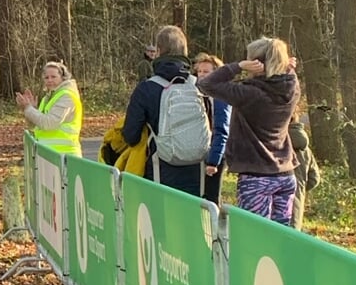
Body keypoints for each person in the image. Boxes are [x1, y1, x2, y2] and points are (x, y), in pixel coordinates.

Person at [197, 37, 300, 225]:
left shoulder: (248, 94)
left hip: (256, 178)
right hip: (286, 174)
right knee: (280, 240)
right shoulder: (292, 87)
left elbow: (206, 84)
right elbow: (287, 74)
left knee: (256, 238)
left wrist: (238, 66)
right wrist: (287, 67)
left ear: (256, 64)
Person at [122, 25, 203, 195]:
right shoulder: (199, 86)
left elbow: (131, 135)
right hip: (198, 172)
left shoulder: (147, 88)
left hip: (160, 171)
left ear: (158, 51)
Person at [15, 61, 83, 157]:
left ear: (63, 78)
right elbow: (35, 127)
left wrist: (28, 108)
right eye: (46, 77)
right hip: (49, 155)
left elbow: (49, 123)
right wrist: (32, 109)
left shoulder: (67, 96)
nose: (49, 80)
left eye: (53, 77)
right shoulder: (47, 98)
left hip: (65, 156)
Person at [193, 53, 232, 205]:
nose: (201, 75)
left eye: (206, 71)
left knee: (211, 197)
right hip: (198, 150)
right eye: (199, 71)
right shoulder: (197, 92)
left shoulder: (220, 95)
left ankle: (215, 227)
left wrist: (213, 161)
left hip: (215, 153)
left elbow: (222, 129)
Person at [289, 113, 321, 230]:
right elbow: (314, 178)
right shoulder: (306, 149)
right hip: (297, 205)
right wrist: (300, 189)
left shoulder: (277, 142)